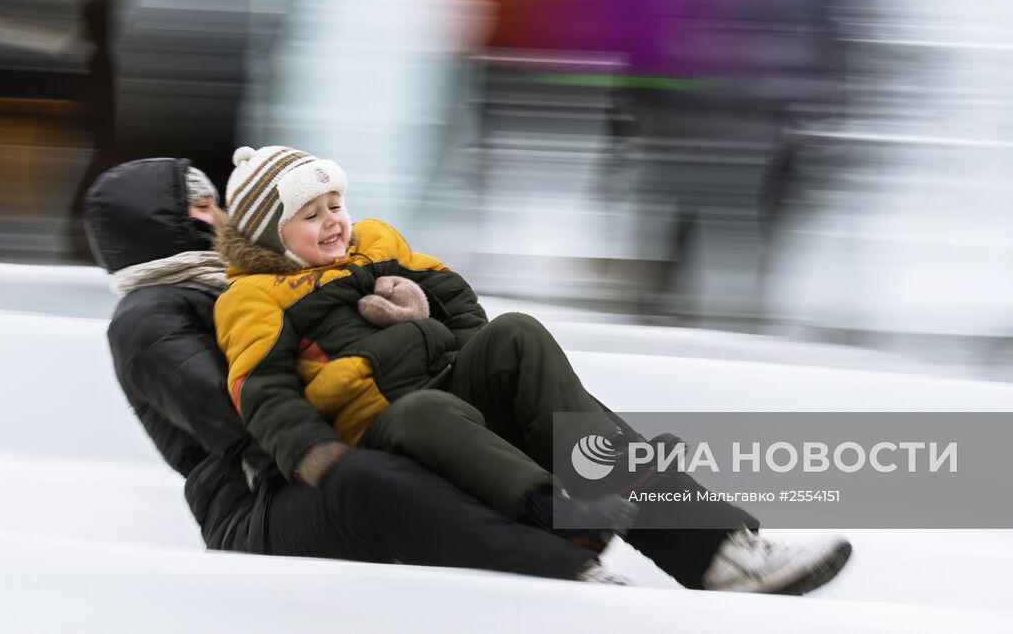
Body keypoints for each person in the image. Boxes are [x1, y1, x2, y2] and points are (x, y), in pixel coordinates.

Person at [214, 144, 853, 593]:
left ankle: (718, 551)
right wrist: (319, 456)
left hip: (448, 384)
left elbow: (459, 298)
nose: (332, 221)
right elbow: (260, 388)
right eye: (310, 213)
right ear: (270, 233)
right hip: (384, 425)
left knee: (517, 333)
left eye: (334, 203)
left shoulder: (378, 243)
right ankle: (561, 542)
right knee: (425, 410)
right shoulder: (254, 296)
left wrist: (432, 322)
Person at [84, 157, 623, 584]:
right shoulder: (147, 318)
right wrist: (382, 376)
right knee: (368, 472)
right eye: (202, 205)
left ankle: (672, 509)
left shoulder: (256, 274)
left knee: (514, 369)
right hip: (263, 504)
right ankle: (562, 569)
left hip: (333, 440)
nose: (221, 213)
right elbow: (245, 426)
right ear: (162, 224)